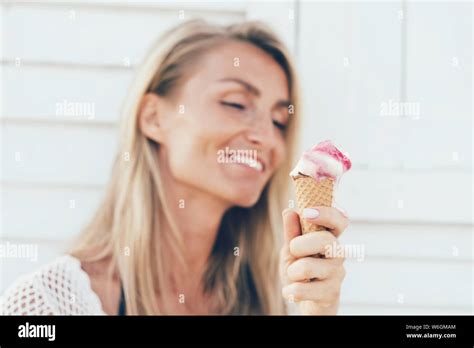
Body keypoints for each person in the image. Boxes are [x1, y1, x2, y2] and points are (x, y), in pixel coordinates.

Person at [0, 19, 347, 315]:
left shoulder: (272, 298)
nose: (267, 137)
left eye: (278, 121)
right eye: (236, 103)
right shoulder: (52, 303)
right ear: (153, 118)